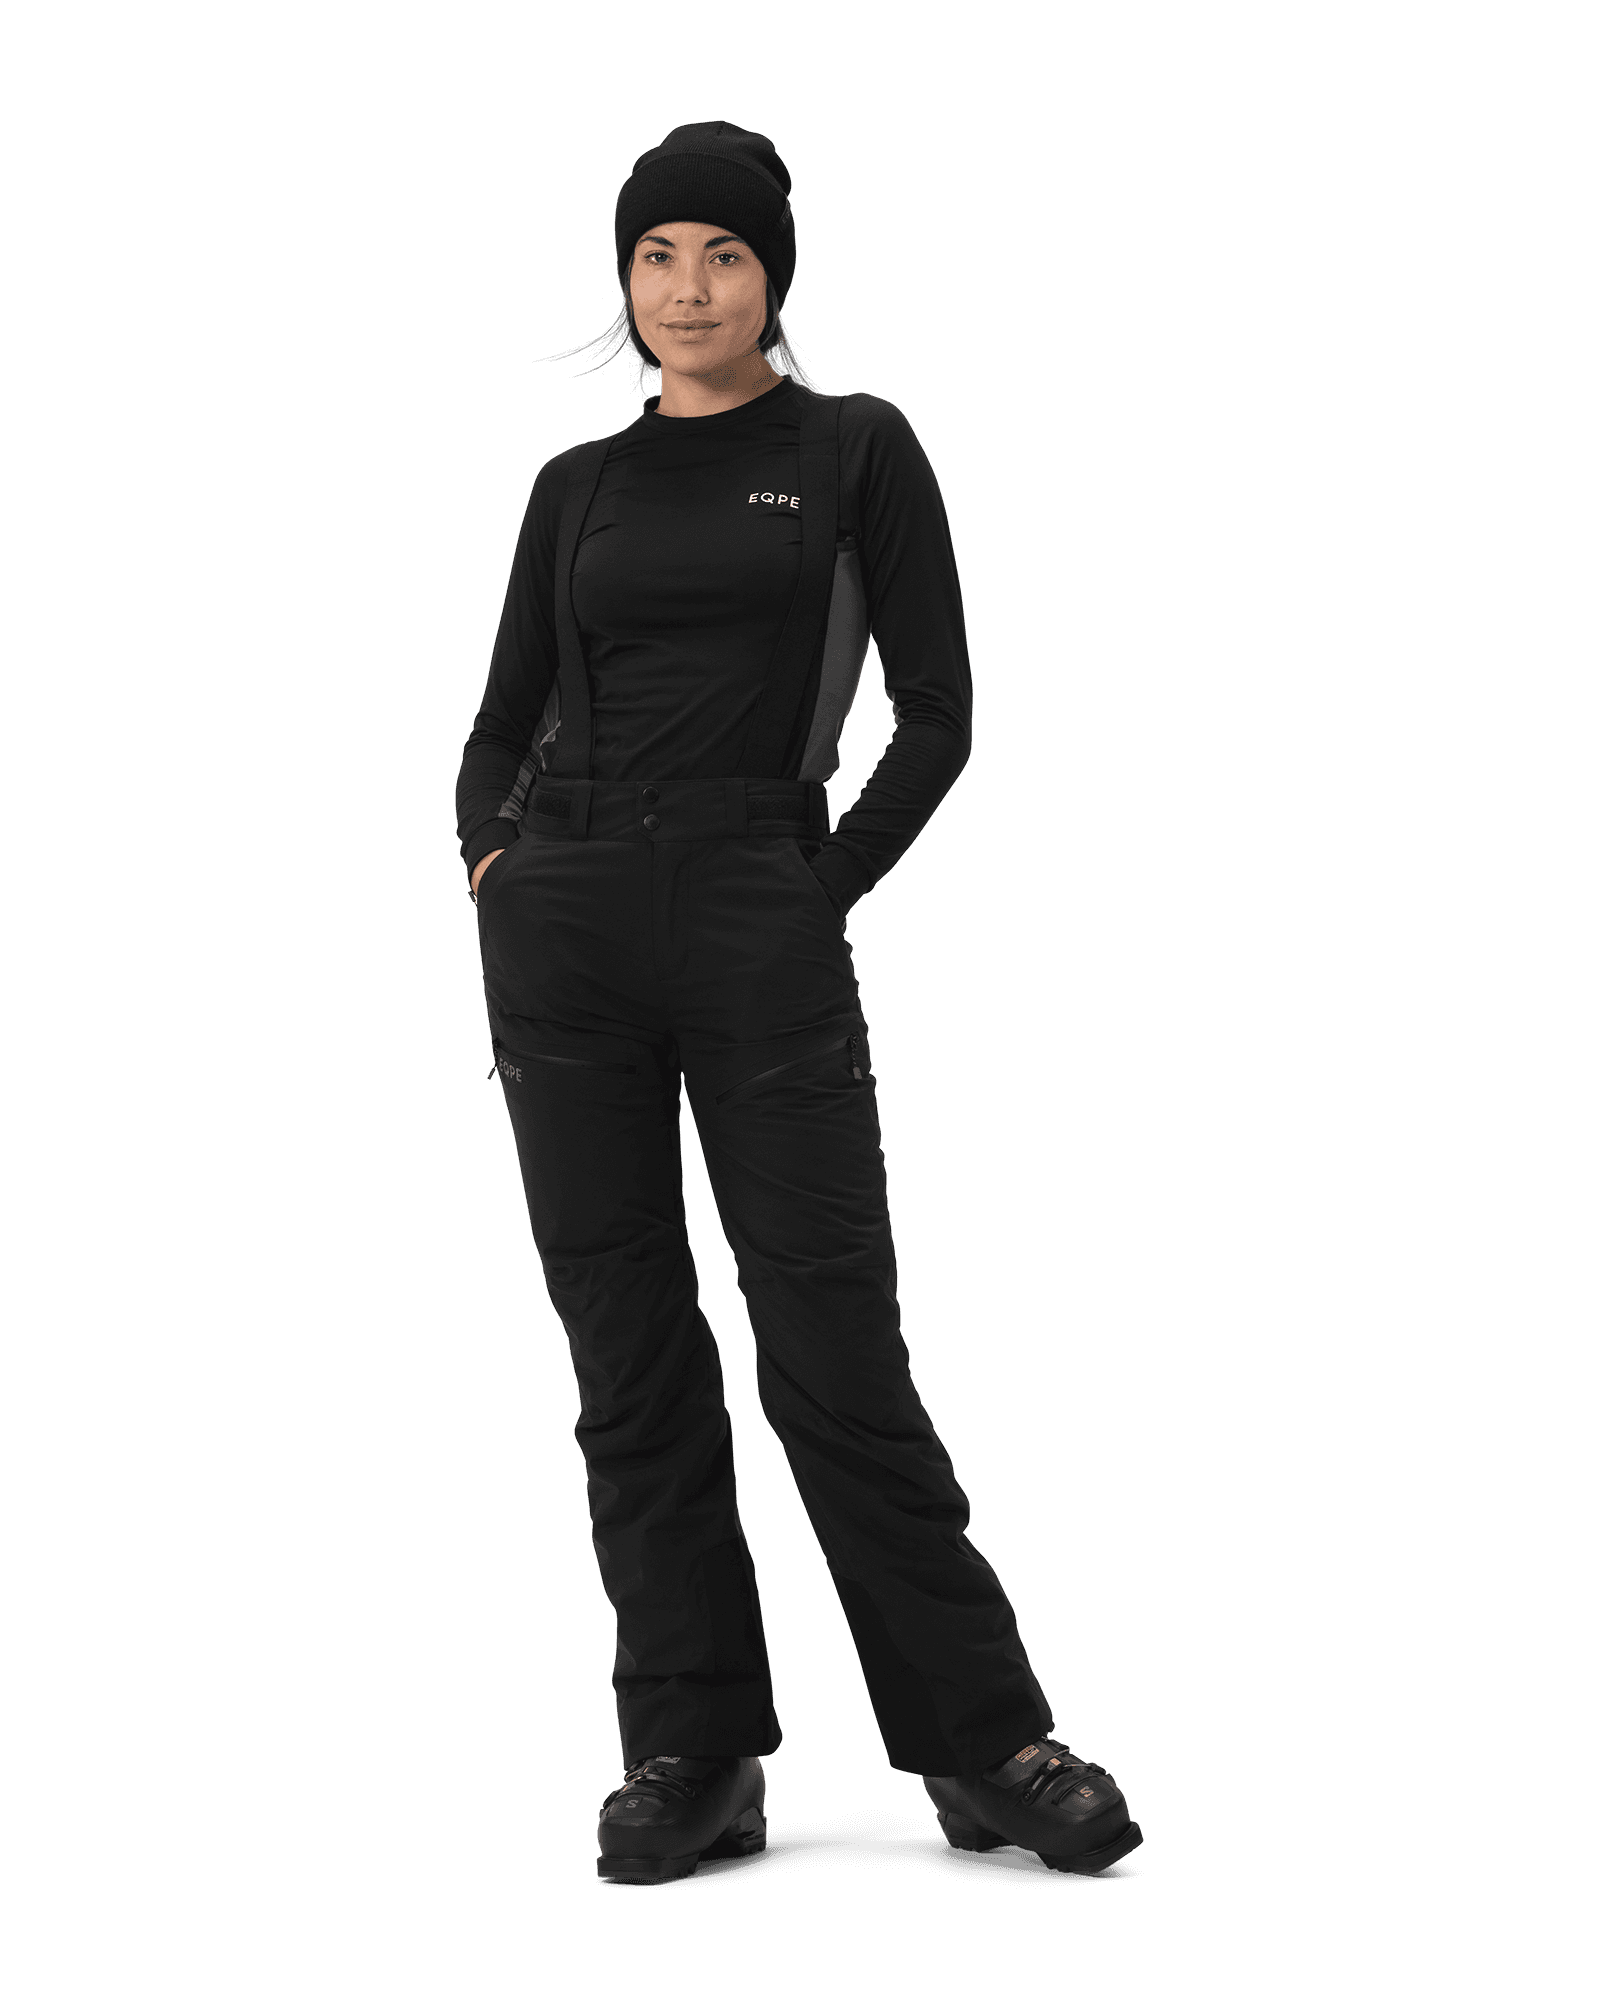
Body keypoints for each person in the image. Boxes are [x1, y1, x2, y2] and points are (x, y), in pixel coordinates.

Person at [455, 119, 1142, 1887]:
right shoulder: (574, 485)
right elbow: (497, 721)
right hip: (568, 929)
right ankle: (692, 1747)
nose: (687, 289)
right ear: (623, 281)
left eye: (724, 256)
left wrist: (815, 892)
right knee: (626, 1350)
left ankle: (983, 1744)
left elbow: (940, 712)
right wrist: (496, 868)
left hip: (763, 910)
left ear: (775, 279)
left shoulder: (854, 450)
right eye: (657, 256)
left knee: (834, 1343)